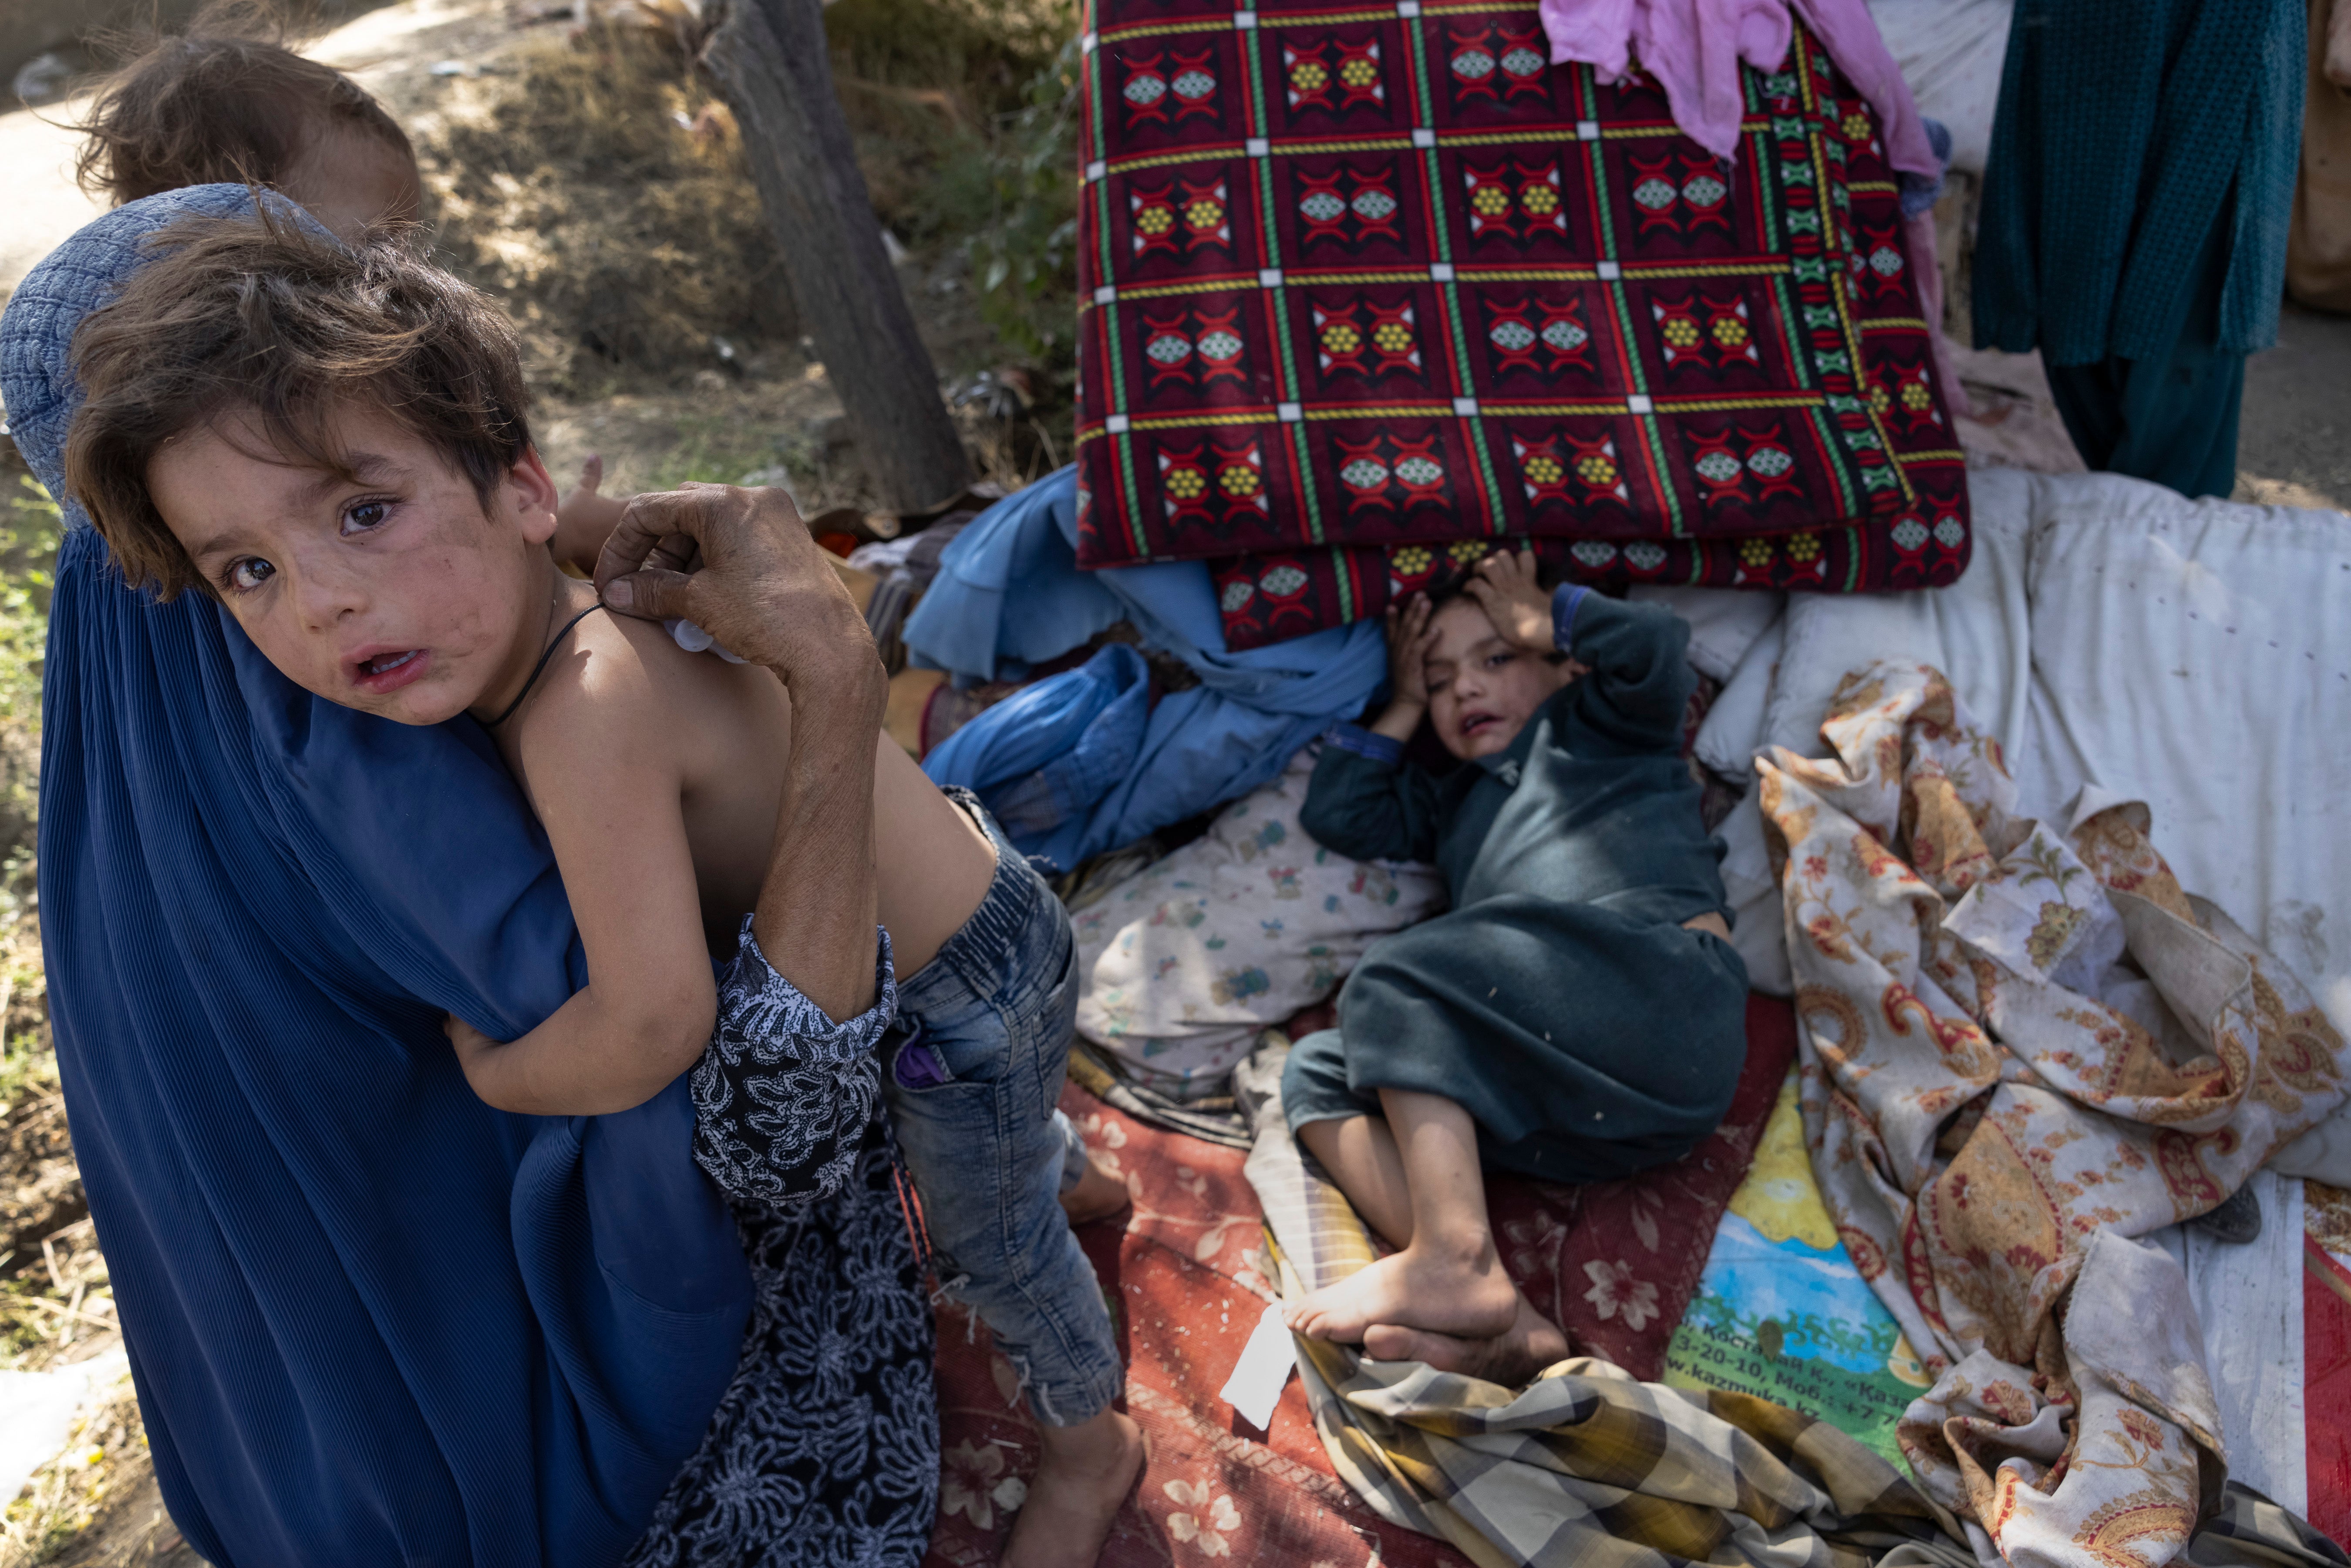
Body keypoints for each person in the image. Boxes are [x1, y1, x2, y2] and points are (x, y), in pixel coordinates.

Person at [60, 206, 1141, 1568]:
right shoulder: (550, 622)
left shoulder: (583, 706)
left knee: (991, 1242)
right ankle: (1046, 1167)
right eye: (251, 571)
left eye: (365, 510)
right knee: (996, 1151)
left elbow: (652, 1024)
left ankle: (1093, 1443)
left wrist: (496, 1071)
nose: (321, 599)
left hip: (962, 986)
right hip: (963, 907)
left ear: (524, 491)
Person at [1277, 551, 1747, 1383]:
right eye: (1442, 676)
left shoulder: (1604, 725)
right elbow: (1339, 809)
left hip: (1663, 988)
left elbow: (1659, 649)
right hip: (1589, 1091)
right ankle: (1503, 1308)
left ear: (1564, 666)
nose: (1465, 689)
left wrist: (1548, 614)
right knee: (1317, 1072)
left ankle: (1451, 1255)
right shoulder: (1451, 802)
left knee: (1393, 981)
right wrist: (1405, 701)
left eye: (1495, 659)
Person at [1973, 0, 2307, 498]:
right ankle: (2137, 515)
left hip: (2223, 24)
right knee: (2076, 281)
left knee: (2186, 261)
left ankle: (2161, 521)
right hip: (2088, 30)